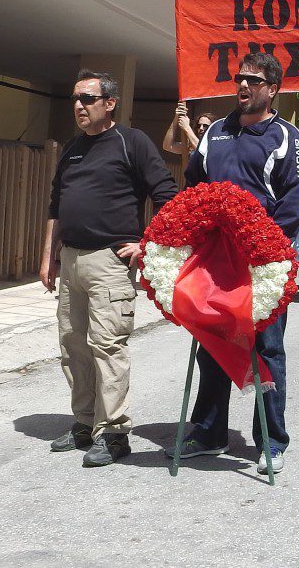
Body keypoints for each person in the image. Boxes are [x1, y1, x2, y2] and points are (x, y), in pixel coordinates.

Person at [166, 52, 299, 473]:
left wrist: (261, 250)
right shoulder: (215, 133)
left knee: (267, 349)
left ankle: (272, 440)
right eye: (239, 78)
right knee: (212, 345)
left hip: (263, 263)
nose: (243, 85)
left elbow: (293, 203)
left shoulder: (287, 138)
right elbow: (194, 187)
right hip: (216, 260)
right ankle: (209, 432)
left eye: (253, 80)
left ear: (273, 89)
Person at [42, 69, 177, 467]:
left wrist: (147, 244)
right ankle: (84, 423)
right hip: (71, 259)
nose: (79, 106)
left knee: (107, 346)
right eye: (75, 99)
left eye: (87, 98)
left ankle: (114, 432)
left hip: (109, 262)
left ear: (110, 103)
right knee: (73, 346)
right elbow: (56, 204)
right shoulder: (72, 147)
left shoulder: (131, 142)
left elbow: (166, 195)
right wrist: (48, 256)